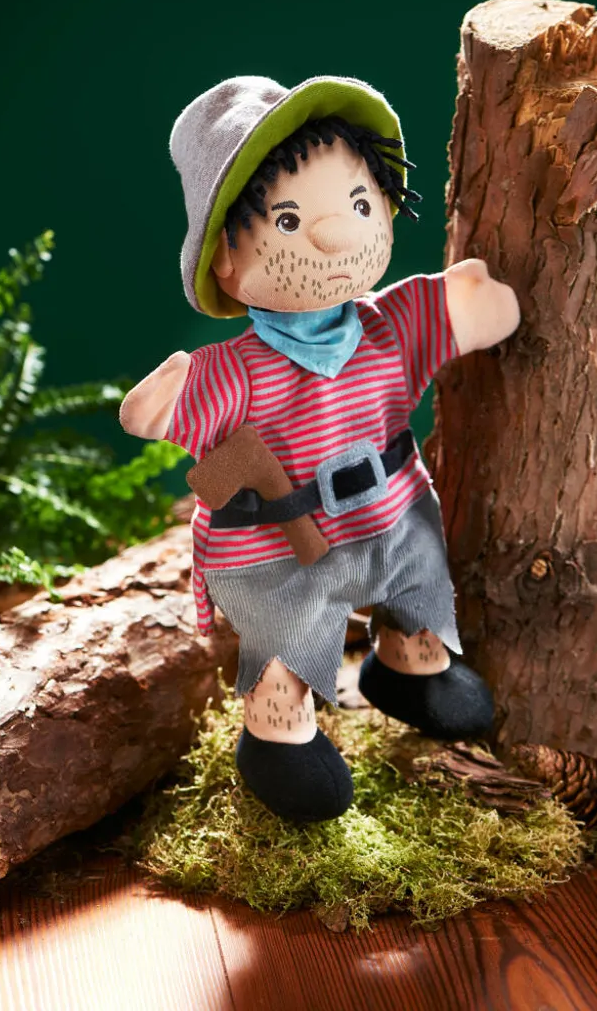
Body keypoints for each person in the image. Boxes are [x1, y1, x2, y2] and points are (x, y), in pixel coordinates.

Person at [120, 75, 520, 823]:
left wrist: (471, 303)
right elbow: (162, 412)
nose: (337, 237)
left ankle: (409, 668)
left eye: (361, 205)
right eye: (289, 219)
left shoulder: (388, 325)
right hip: (280, 542)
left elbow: (458, 310)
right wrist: (165, 403)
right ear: (225, 259)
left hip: (389, 509)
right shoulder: (238, 371)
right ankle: (278, 735)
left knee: (418, 578)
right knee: (290, 632)